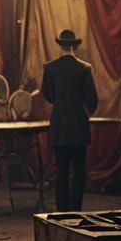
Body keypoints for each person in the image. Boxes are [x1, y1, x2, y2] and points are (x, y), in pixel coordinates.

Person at [42, 29, 99, 212]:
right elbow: (92, 100)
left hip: (58, 125)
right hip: (78, 125)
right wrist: (84, 109)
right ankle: (75, 208)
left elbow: (48, 95)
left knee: (61, 170)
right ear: (75, 46)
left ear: (60, 45)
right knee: (79, 170)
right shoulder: (85, 68)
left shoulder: (49, 68)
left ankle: (62, 210)